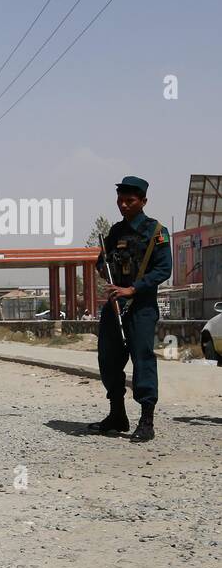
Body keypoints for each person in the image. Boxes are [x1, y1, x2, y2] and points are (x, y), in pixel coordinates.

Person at [87, 176, 172, 442]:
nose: (123, 205)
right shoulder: (114, 232)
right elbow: (103, 261)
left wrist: (133, 289)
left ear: (143, 201)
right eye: (120, 200)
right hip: (115, 306)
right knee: (107, 359)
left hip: (141, 306)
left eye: (129, 200)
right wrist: (104, 270)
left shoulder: (156, 231)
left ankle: (146, 421)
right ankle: (117, 415)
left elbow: (163, 269)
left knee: (143, 359)